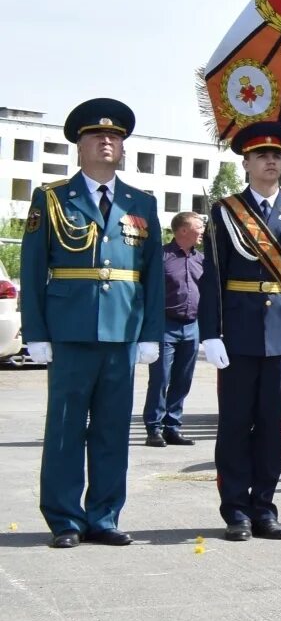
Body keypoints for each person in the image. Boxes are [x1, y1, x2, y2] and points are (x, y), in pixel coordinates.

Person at [19, 99, 165, 548]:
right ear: (78, 146)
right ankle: (65, 518)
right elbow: (32, 267)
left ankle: (104, 515)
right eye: (97, 136)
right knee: (64, 428)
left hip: (122, 330)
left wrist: (151, 334)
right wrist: (37, 332)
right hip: (70, 328)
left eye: (116, 138)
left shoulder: (141, 201)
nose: (108, 142)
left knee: (112, 429)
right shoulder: (53, 197)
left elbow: (152, 273)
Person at [196, 120, 281, 540]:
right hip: (237, 332)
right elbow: (213, 275)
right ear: (246, 163)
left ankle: (265, 506)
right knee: (235, 423)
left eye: (277, 156)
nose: (271, 161)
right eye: (262, 156)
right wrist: (210, 332)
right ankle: (235, 508)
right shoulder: (225, 211)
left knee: (273, 424)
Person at [145, 211, 205, 448]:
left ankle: (173, 427)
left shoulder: (201, 259)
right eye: (198, 226)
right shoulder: (162, 257)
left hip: (192, 326)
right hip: (165, 325)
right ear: (183, 230)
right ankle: (154, 428)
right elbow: (148, 292)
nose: (202, 230)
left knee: (183, 379)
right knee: (160, 378)